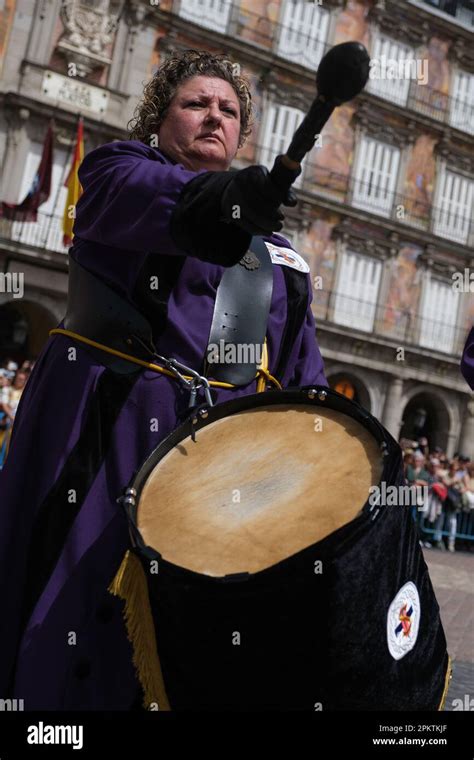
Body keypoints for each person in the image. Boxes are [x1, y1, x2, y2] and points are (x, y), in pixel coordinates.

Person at [0, 50, 328, 710]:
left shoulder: (282, 257)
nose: (215, 117)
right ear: (158, 120)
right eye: (196, 104)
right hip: (105, 444)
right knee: (72, 633)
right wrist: (234, 203)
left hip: (220, 475)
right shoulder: (119, 173)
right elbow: (175, 209)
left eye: (229, 110)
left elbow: (302, 382)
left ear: (243, 135)